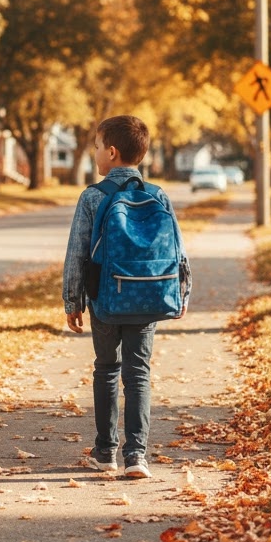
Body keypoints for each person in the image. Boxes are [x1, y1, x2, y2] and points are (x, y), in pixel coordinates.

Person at [62, 114, 176, 479]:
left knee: (107, 370)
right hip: (148, 296)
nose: (95, 152)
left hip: (106, 298)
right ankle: (137, 455)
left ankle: (105, 451)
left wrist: (72, 301)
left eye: (96, 146)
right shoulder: (158, 195)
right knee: (138, 373)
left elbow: (77, 253)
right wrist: (180, 291)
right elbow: (178, 252)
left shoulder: (93, 196)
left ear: (111, 153)